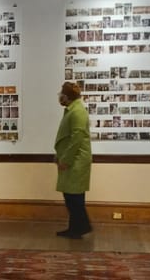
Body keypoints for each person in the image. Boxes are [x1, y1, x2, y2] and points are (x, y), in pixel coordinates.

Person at [54, 82, 92, 239]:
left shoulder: (77, 112)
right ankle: (76, 228)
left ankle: (81, 227)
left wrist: (66, 160)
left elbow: (76, 139)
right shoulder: (73, 109)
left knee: (74, 197)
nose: (59, 96)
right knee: (71, 196)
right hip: (72, 160)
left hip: (76, 161)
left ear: (67, 96)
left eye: (61, 93)